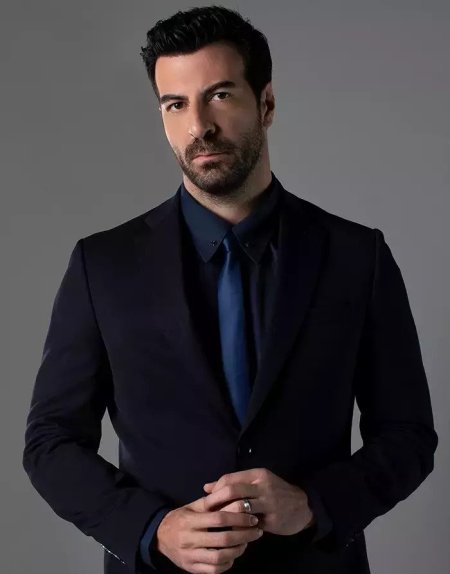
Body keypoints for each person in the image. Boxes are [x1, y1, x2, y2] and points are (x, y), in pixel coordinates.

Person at [22, 6, 438, 574]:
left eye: (219, 95)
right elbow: (50, 442)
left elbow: (408, 434)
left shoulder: (356, 257)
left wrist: (314, 505)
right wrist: (151, 529)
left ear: (266, 104)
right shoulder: (102, 265)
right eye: (175, 104)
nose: (199, 126)